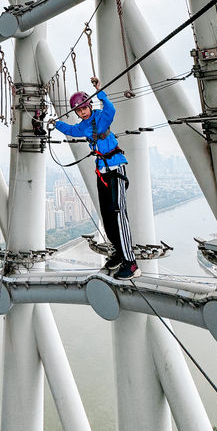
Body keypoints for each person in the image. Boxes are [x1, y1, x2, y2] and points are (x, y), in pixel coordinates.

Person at [51, 76, 140, 279]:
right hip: (102, 172)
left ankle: (131, 263)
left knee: (118, 214)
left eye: (84, 108)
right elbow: (71, 130)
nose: (82, 112)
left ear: (89, 105)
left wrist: (100, 91)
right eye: (78, 111)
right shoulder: (82, 126)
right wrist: (55, 123)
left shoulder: (102, 117)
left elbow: (111, 109)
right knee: (107, 215)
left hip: (116, 168)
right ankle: (118, 253)